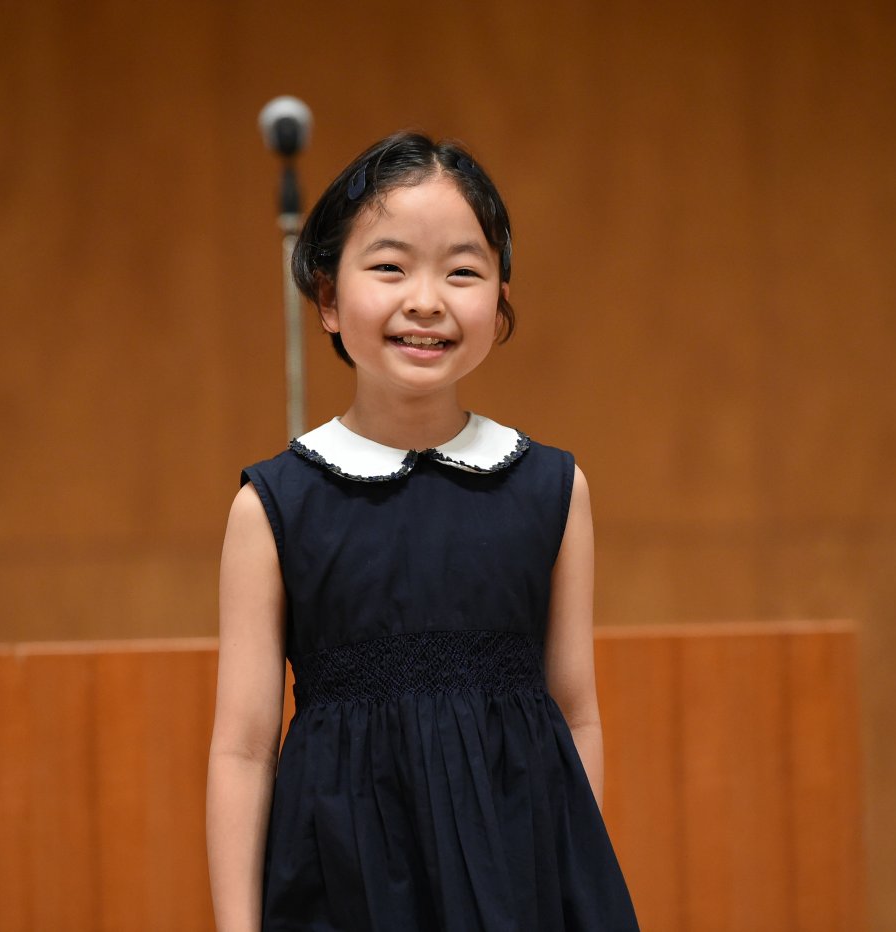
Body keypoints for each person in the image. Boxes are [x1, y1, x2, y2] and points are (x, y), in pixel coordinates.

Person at [206, 131, 639, 931]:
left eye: (463, 271)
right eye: (390, 267)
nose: (427, 300)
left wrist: (565, 886)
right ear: (327, 297)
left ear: (500, 300)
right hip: (343, 886)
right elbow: (242, 749)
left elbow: (576, 713)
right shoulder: (274, 506)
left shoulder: (551, 489)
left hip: (517, 886)